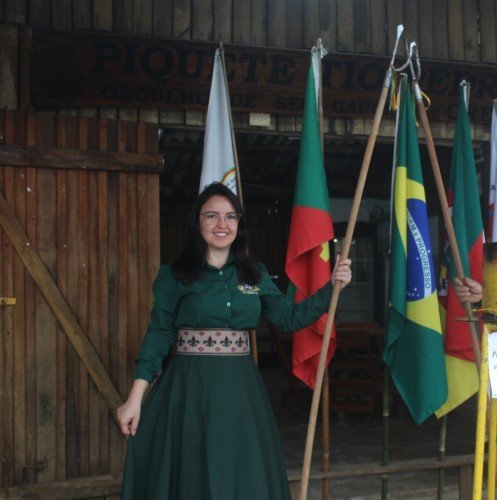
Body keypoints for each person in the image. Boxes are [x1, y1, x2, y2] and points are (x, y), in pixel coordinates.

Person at [116, 182, 351, 499]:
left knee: (242, 473)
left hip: (241, 392)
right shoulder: (172, 275)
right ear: (197, 222)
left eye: (230, 217)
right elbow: (158, 334)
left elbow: (287, 318)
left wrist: (331, 288)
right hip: (188, 391)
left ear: (239, 225)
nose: (221, 225)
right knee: (190, 472)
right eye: (211, 215)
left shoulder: (254, 274)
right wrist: (135, 398)